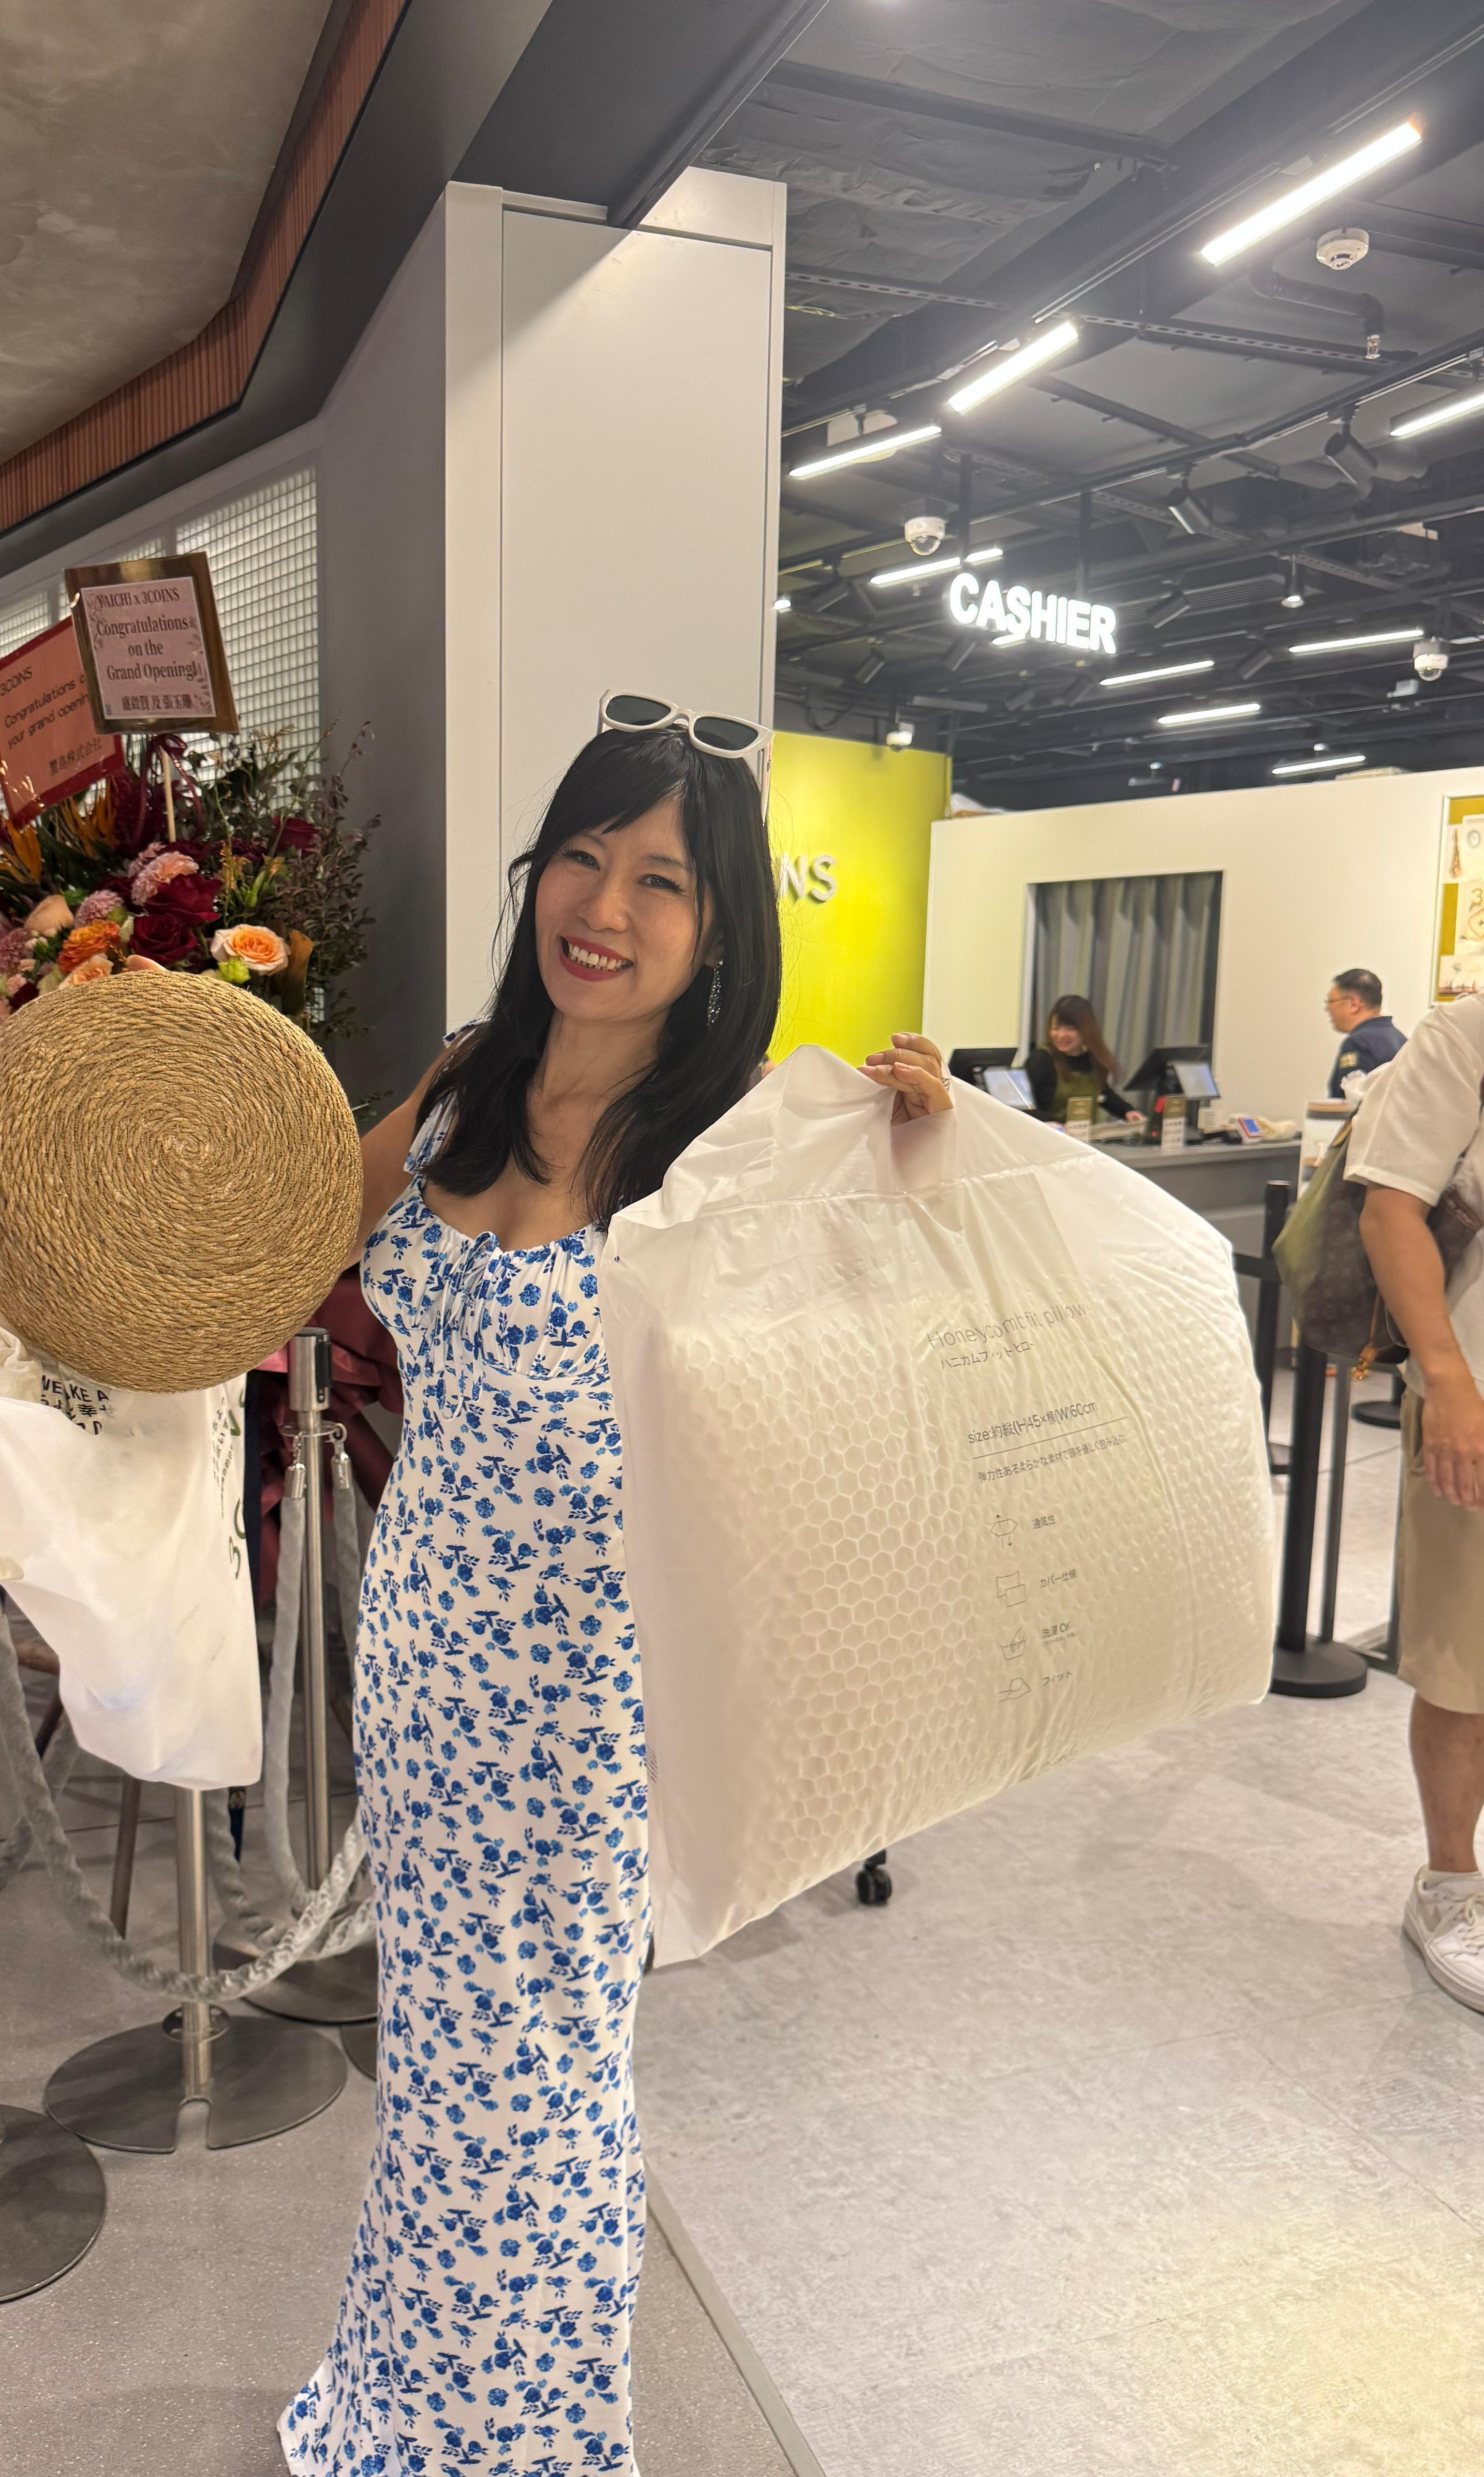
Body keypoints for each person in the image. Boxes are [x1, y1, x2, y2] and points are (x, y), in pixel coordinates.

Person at [281, 720, 953, 2475]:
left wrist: (922, 1153)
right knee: (441, 2083)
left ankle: (540, 2447)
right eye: (585, 855)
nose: (605, 906)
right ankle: (396, 2421)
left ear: (720, 929)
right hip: (420, 1667)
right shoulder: (465, 1081)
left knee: (545, 2104)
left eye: (663, 880)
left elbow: (892, 1360)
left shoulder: (743, 1140)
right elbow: (293, 1237)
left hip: (587, 1707)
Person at [1350, 991, 1484, 2011]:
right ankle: (1450, 1883)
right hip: (1482, 1394)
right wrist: (1447, 1383)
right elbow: (1390, 1207)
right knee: (1468, 1661)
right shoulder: (1470, 1035)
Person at [1024, 994, 1144, 1127]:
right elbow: (1025, 1109)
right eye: (1056, 1029)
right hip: (1049, 1135)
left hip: (1085, 1136)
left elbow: (1103, 1095)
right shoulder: (1041, 1059)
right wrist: (1056, 1124)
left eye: (1070, 1029)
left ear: (1087, 1030)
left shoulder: (1094, 1058)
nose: (1061, 1035)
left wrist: (1127, 1111)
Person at [1326, 967, 1404, 1098]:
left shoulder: (1358, 1043)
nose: (1328, 1009)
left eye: (1331, 1002)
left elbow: (1351, 1102)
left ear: (1354, 1004)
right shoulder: (1401, 1039)